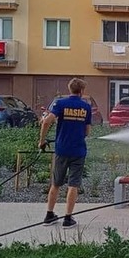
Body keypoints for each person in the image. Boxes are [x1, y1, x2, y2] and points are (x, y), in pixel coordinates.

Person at [38, 78, 92, 228]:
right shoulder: (86, 107)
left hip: (61, 150)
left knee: (56, 183)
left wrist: (41, 141)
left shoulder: (60, 103)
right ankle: (68, 219)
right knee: (73, 185)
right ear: (82, 91)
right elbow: (87, 131)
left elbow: (46, 121)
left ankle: (49, 215)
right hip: (78, 151)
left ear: (70, 89)